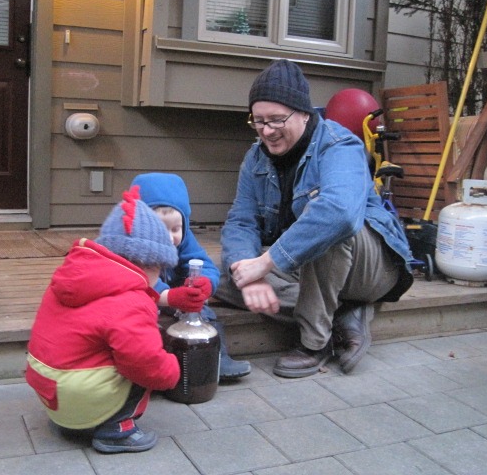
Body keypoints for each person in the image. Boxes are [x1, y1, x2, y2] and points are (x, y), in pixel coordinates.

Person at [216, 59, 414, 378]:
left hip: (372, 267)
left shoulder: (340, 145)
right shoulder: (255, 157)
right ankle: (344, 314)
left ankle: (314, 343)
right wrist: (247, 270)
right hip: (308, 270)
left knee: (328, 231)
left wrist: (265, 264)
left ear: (304, 113)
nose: (267, 131)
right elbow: (241, 222)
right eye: (258, 121)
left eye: (277, 120)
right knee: (222, 277)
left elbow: (339, 214)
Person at [25, 186, 181, 454]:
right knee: (144, 362)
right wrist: (172, 370)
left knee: (113, 348)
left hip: (49, 391)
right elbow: (144, 361)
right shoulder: (132, 300)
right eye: (160, 269)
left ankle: (75, 422)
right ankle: (116, 431)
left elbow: (104, 316)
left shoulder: (75, 277)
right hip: (77, 395)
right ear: (150, 264)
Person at [131, 172, 251, 380]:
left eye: (176, 229)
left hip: (172, 295)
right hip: (139, 300)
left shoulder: (184, 237)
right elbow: (141, 282)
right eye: (159, 229)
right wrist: (170, 296)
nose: (169, 237)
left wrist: (205, 283)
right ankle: (150, 369)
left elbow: (201, 262)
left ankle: (217, 359)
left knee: (202, 311)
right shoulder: (131, 247)